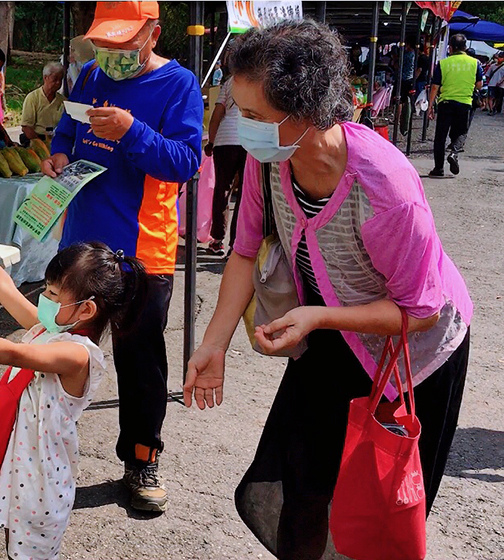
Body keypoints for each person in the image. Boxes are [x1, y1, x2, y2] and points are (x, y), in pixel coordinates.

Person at [184, 21, 471, 560]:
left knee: (376, 507)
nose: (243, 129)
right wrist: (213, 344)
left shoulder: (384, 188)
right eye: (240, 112)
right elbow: (244, 252)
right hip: (333, 332)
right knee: (303, 487)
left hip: (416, 354)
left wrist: (320, 317)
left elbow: (422, 310)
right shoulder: (268, 164)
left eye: (256, 117)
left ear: (310, 110)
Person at [41, 0, 203, 514]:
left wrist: (132, 130)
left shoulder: (178, 85)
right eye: (103, 44)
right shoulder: (88, 74)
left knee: (140, 367)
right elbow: (66, 131)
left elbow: (185, 162)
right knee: (50, 352)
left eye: (122, 44)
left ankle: (140, 460)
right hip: (82, 244)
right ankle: (33, 453)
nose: (110, 55)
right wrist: (59, 155)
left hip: (142, 251)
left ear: (152, 34)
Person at [0, 224, 145, 560]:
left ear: (86, 310)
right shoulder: (48, 328)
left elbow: (15, 353)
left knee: (32, 552)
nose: (44, 299)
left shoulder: (77, 355)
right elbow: (5, 289)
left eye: (54, 295)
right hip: (21, 465)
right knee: (15, 543)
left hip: (43, 480)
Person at [426, 33, 483, 178]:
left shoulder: (443, 63)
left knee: (440, 136)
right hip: (464, 103)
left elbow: (434, 87)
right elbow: (479, 85)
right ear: (465, 47)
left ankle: (438, 169)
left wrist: (430, 106)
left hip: (445, 103)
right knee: (461, 132)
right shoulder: (475, 63)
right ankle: (454, 152)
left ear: (450, 48)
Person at [204, 72, 246, 257]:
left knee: (222, 189)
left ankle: (217, 240)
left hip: (225, 140)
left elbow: (217, 114)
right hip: (250, 141)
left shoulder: (230, 82)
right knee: (246, 194)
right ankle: (236, 245)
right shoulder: (259, 78)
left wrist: (211, 142)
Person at [20, 62, 66, 147]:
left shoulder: (63, 100)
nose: (58, 83)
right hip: (36, 138)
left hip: (56, 138)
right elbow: (26, 127)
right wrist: (40, 144)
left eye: (60, 80)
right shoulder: (33, 98)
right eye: (55, 79)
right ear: (45, 78)